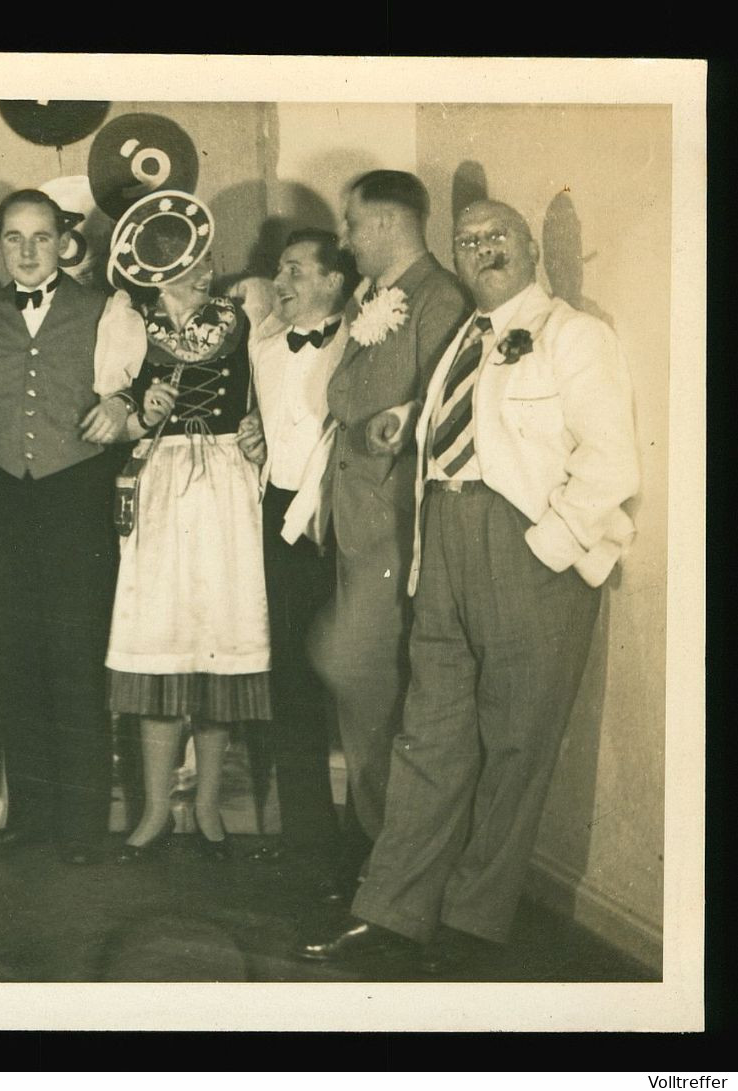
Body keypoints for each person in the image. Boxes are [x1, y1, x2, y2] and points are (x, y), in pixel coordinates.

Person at [297, 199, 639, 972]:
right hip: (443, 542)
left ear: (530, 250)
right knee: (429, 735)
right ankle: (389, 912)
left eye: (497, 236)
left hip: (524, 548)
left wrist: (543, 548)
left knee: (515, 743)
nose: (482, 249)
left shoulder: (575, 335)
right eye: (467, 240)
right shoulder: (462, 338)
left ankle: (471, 924)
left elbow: (610, 462)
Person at [0, 188, 145, 864]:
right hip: (2, 497)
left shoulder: (106, 310)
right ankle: (30, 815)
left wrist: (122, 401)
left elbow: (151, 386)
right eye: (14, 237)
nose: (28, 251)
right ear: (0, 244)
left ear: (64, 240)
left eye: (41, 236)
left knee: (74, 661)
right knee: (15, 661)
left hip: (74, 494)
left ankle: (82, 825)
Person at [313, 170, 470, 889]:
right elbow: (345, 394)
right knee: (360, 685)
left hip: (392, 531)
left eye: (349, 224)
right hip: (355, 525)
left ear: (383, 224)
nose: (344, 240)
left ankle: (386, 860)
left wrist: (396, 425)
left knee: (363, 677)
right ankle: (372, 850)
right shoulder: (380, 298)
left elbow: (439, 421)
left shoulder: (439, 300)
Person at [103, 191, 270, 862]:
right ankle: (152, 810)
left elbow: (269, 396)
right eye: (185, 263)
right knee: (161, 637)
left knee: (221, 634)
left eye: (205, 259)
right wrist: (139, 411)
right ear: (153, 267)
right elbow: (105, 414)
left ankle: (204, 806)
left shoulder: (242, 314)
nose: (202, 271)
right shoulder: (126, 321)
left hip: (228, 481)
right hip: (163, 481)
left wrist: (259, 434)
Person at [243, 228, 358, 893]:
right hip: (275, 520)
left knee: (349, 676)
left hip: (338, 522)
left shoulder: (360, 343)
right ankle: (306, 838)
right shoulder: (262, 344)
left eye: (294, 270)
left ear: (332, 282)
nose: (280, 283)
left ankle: (365, 839)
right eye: (279, 271)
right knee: (288, 676)